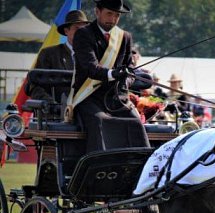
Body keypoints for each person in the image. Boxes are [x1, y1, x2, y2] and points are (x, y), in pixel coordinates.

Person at [71, 0, 150, 152]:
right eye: (109, 14)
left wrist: (126, 80)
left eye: (117, 15)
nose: (113, 19)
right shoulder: (83, 34)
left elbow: (130, 68)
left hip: (117, 98)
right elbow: (90, 68)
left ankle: (140, 167)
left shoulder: (125, 37)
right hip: (89, 97)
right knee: (100, 121)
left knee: (136, 122)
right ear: (97, 12)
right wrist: (113, 73)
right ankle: (100, 167)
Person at [27, 10, 89, 117]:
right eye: (77, 28)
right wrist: (51, 105)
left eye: (84, 29)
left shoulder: (93, 56)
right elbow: (34, 86)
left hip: (87, 114)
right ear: (66, 31)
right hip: (54, 116)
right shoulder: (49, 54)